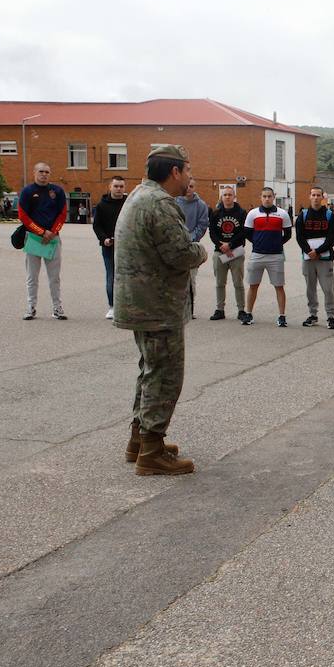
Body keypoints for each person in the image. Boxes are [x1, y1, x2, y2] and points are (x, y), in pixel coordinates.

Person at [112, 145, 208, 475]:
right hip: (158, 304)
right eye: (188, 170)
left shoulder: (139, 194)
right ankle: (151, 451)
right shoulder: (161, 203)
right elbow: (181, 254)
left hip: (142, 302)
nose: (190, 177)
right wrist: (201, 251)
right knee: (165, 375)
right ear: (175, 171)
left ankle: (139, 440)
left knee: (150, 370)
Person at [18, 161, 67, 320]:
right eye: (41, 171)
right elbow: (23, 215)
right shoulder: (27, 191)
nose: (44, 174)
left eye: (47, 172)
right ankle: (31, 307)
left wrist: (52, 232)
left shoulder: (57, 191)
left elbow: (62, 213)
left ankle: (57, 308)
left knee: (54, 277)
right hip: (33, 239)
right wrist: (40, 232)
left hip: (53, 239)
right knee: (32, 277)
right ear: (34, 173)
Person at [241, 187, 293, 327]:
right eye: (264, 196)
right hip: (257, 254)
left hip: (276, 256)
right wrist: (258, 242)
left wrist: (277, 243)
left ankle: (282, 316)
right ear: (260, 197)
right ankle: (248, 313)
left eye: (269, 196)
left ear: (274, 197)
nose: (267, 199)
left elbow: (288, 234)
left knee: (279, 286)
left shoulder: (283, 214)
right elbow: (247, 233)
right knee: (253, 285)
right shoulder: (253, 213)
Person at [295, 186, 334, 329]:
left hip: (324, 258)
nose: (315, 197)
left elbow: (332, 238)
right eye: (313, 195)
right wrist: (309, 251)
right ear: (309, 196)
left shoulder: (329, 215)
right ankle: (313, 314)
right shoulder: (303, 215)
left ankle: (330, 316)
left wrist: (318, 251)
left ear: (322, 197)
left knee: (328, 288)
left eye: (318, 195)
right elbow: (299, 237)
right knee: (310, 288)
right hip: (308, 258)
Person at [208, 185, 248, 322]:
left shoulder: (241, 213)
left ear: (234, 197)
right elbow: (212, 232)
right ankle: (220, 309)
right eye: (225, 195)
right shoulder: (216, 213)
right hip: (220, 252)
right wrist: (221, 245)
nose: (227, 197)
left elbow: (243, 232)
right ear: (221, 197)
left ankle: (241, 310)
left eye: (230, 195)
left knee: (238, 283)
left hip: (236, 252)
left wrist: (230, 245)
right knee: (220, 283)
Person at [92, 175, 127, 320]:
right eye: (116, 186)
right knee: (111, 276)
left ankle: (126, 306)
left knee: (128, 277)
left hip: (127, 247)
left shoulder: (129, 203)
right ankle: (112, 306)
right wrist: (104, 239)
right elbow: (97, 225)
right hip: (109, 247)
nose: (118, 189)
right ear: (110, 187)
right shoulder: (101, 205)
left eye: (121, 186)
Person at [174, 177, 209, 320]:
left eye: (191, 186)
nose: (189, 189)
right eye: (187, 186)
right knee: (175, 279)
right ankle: (176, 308)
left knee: (191, 279)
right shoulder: (174, 202)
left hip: (192, 246)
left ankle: (190, 308)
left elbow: (202, 225)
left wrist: (190, 238)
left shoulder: (201, 205)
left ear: (195, 188)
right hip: (175, 244)